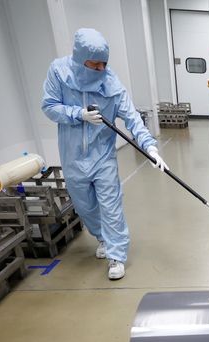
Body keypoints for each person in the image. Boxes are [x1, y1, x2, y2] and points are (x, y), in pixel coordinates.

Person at [41, 28, 167, 280]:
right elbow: (50, 106)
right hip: (73, 157)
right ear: (80, 59)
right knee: (84, 206)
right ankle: (102, 237)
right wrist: (79, 114)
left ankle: (116, 255)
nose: (100, 69)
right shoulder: (59, 72)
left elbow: (132, 118)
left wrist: (150, 147)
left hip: (102, 155)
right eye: (94, 64)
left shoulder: (111, 84)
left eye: (104, 63)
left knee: (111, 205)